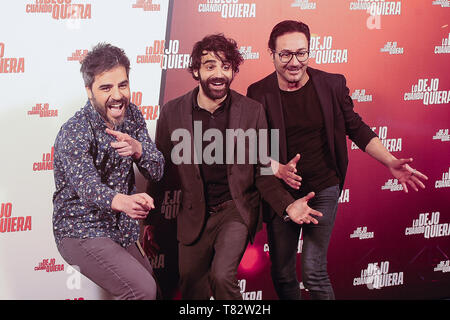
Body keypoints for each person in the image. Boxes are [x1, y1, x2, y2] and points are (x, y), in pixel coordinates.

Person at [246, 20, 428, 300]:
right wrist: (277, 169)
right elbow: (251, 152)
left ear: (309, 51)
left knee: (314, 271)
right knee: (282, 272)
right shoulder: (258, 93)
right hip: (281, 193)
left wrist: (390, 161)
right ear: (271, 53)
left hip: (323, 187)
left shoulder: (331, 84)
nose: (294, 62)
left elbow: (355, 126)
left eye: (301, 53)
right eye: (285, 54)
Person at [155, 34, 322, 300]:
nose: (219, 74)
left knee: (222, 276)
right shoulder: (172, 112)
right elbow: (160, 169)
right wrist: (147, 217)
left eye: (226, 66)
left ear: (233, 71)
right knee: (191, 286)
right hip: (193, 213)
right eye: (210, 66)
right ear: (196, 70)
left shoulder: (251, 111)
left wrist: (287, 205)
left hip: (235, 209)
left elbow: (261, 170)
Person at [52, 43, 164, 300]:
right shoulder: (75, 131)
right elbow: (88, 188)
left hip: (120, 229)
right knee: (142, 291)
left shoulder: (133, 115)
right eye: (106, 87)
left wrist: (139, 151)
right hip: (80, 229)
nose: (117, 95)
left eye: (122, 85)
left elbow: (157, 170)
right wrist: (124, 202)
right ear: (89, 91)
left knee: (153, 291)